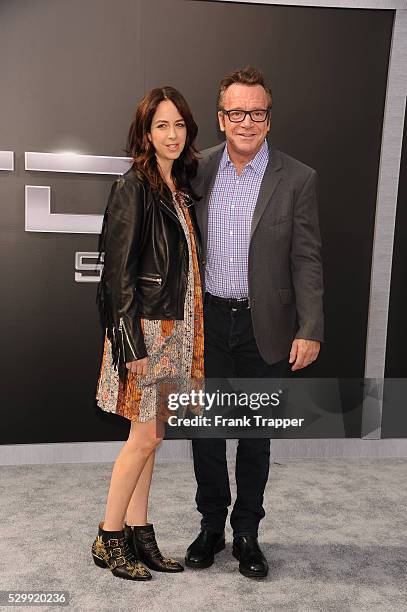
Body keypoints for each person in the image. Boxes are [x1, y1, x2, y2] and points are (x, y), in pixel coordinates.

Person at [185, 66, 324, 578]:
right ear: (221, 118)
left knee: (254, 435)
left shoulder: (299, 178)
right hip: (205, 326)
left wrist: (310, 327)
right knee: (205, 433)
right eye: (237, 112)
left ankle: (247, 533)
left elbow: (307, 258)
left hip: (265, 328)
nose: (248, 121)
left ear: (268, 118)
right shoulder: (194, 171)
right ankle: (210, 527)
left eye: (257, 112)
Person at [92, 86, 204, 581]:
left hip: (177, 331)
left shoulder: (177, 186)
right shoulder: (134, 185)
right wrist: (129, 343)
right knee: (141, 438)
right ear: (145, 132)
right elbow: (116, 274)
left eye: (179, 124)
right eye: (162, 125)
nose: (172, 134)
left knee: (153, 436)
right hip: (148, 332)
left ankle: (140, 531)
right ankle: (108, 537)